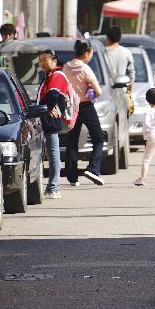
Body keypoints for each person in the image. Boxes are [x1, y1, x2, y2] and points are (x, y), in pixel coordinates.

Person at [62, 40, 105, 186]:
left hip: (71, 107)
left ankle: (72, 176)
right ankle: (93, 168)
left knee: (72, 140)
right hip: (86, 106)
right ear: (86, 53)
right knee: (98, 137)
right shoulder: (85, 69)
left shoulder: (66, 67)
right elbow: (98, 91)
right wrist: (91, 92)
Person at [37, 49, 68, 199]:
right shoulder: (48, 76)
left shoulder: (57, 75)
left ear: (54, 60)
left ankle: (54, 187)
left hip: (50, 121)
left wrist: (49, 107)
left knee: (53, 154)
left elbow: (53, 93)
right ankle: (50, 187)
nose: (42, 63)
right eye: (40, 60)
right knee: (49, 154)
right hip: (45, 120)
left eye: (45, 59)